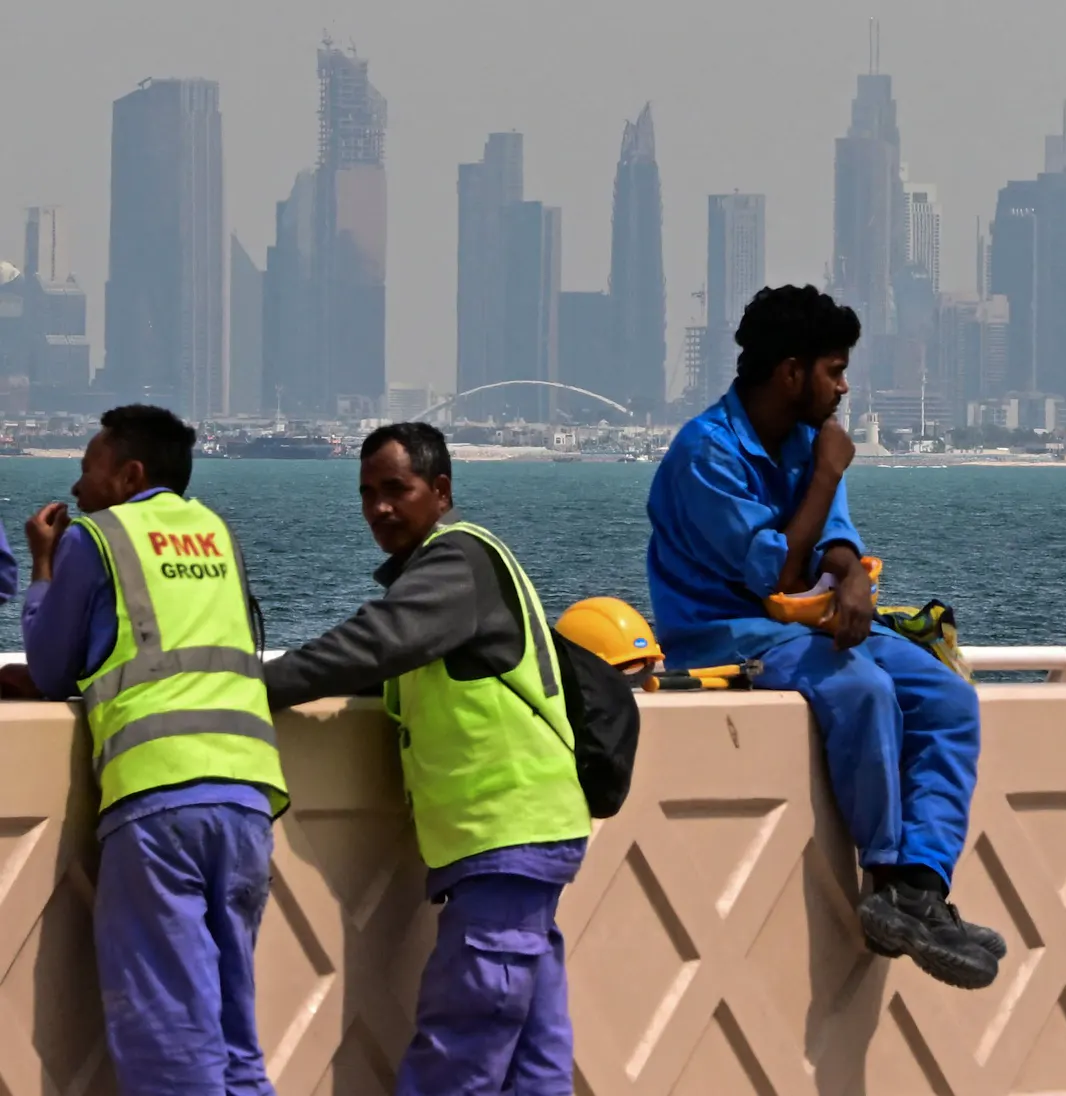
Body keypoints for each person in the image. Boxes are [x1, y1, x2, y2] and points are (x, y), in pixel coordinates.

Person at [646, 284, 1005, 988]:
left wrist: (853, 580)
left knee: (946, 697)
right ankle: (885, 875)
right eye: (834, 370)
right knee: (864, 690)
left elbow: (832, 539)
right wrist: (829, 475)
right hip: (731, 635)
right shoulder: (704, 455)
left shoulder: (812, 440)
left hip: (807, 624)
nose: (843, 387)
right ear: (790, 373)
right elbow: (771, 570)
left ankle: (921, 888)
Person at [266, 423, 590, 1095]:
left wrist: (246, 684)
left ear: (440, 491)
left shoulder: (455, 561)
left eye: (396, 489)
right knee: (534, 1049)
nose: (379, 509)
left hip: (504, 836)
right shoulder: (456, 570)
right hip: (526, 836)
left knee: (461, 1040)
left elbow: (374, 643)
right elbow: (388, 664)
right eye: (366, 494)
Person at [21, 404, 285, 1096]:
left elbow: (51, 671)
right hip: (247, 794)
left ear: (129, 473)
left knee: (169, 1032)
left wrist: (43, 568)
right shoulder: (218, 534)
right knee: (235, 1034)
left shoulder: (100, 536)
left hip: (157, 802)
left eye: (87, 471)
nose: (76, 491)